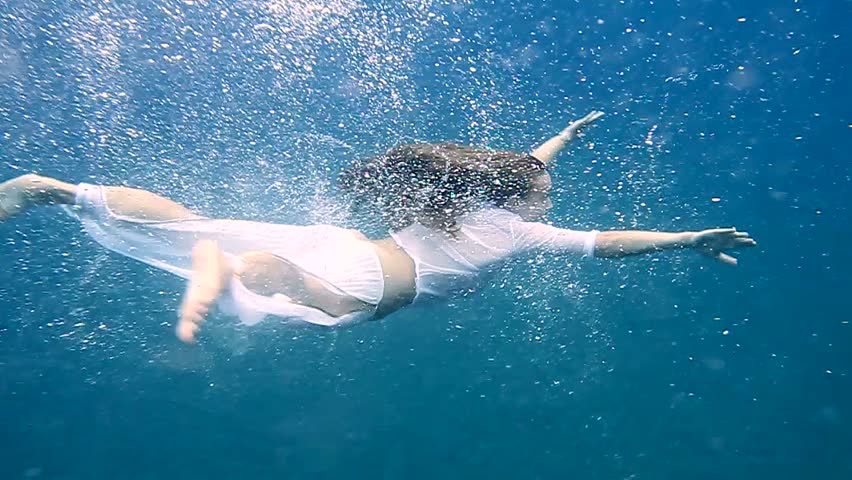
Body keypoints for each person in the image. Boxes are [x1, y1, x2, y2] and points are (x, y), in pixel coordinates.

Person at [0, 111, 756, 344]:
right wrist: (689, 240)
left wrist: (561, 136)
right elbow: (606, 245)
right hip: (363, 280)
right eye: (546, 194)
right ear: (524, 201)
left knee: (200, 223)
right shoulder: (519, 232)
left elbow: (522, 164)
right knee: (322, 308)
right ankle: (237, 273)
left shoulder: (470, 197)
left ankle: (59, 193)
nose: (549, 201)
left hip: (344, 247)